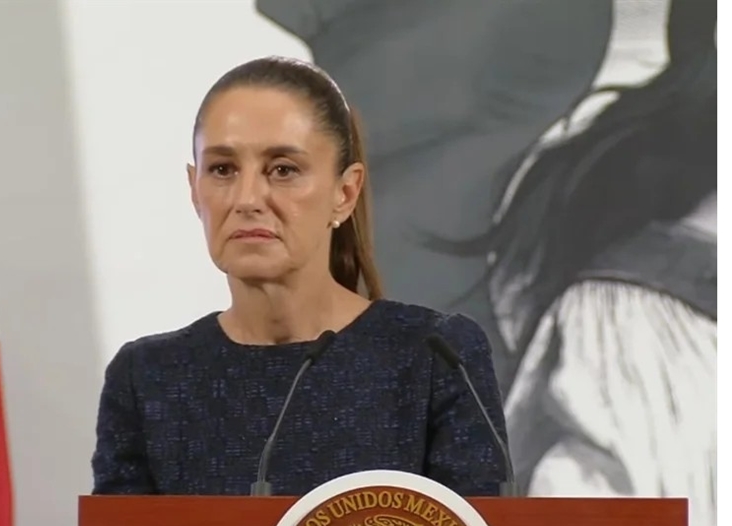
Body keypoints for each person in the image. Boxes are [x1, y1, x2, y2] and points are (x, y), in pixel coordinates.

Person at [91, 56, 509, 497]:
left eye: (283, 170)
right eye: (222, 169)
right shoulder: (147, 379)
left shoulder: (437, 357)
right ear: (195, 190)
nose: (247, 198)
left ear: (344, 193)